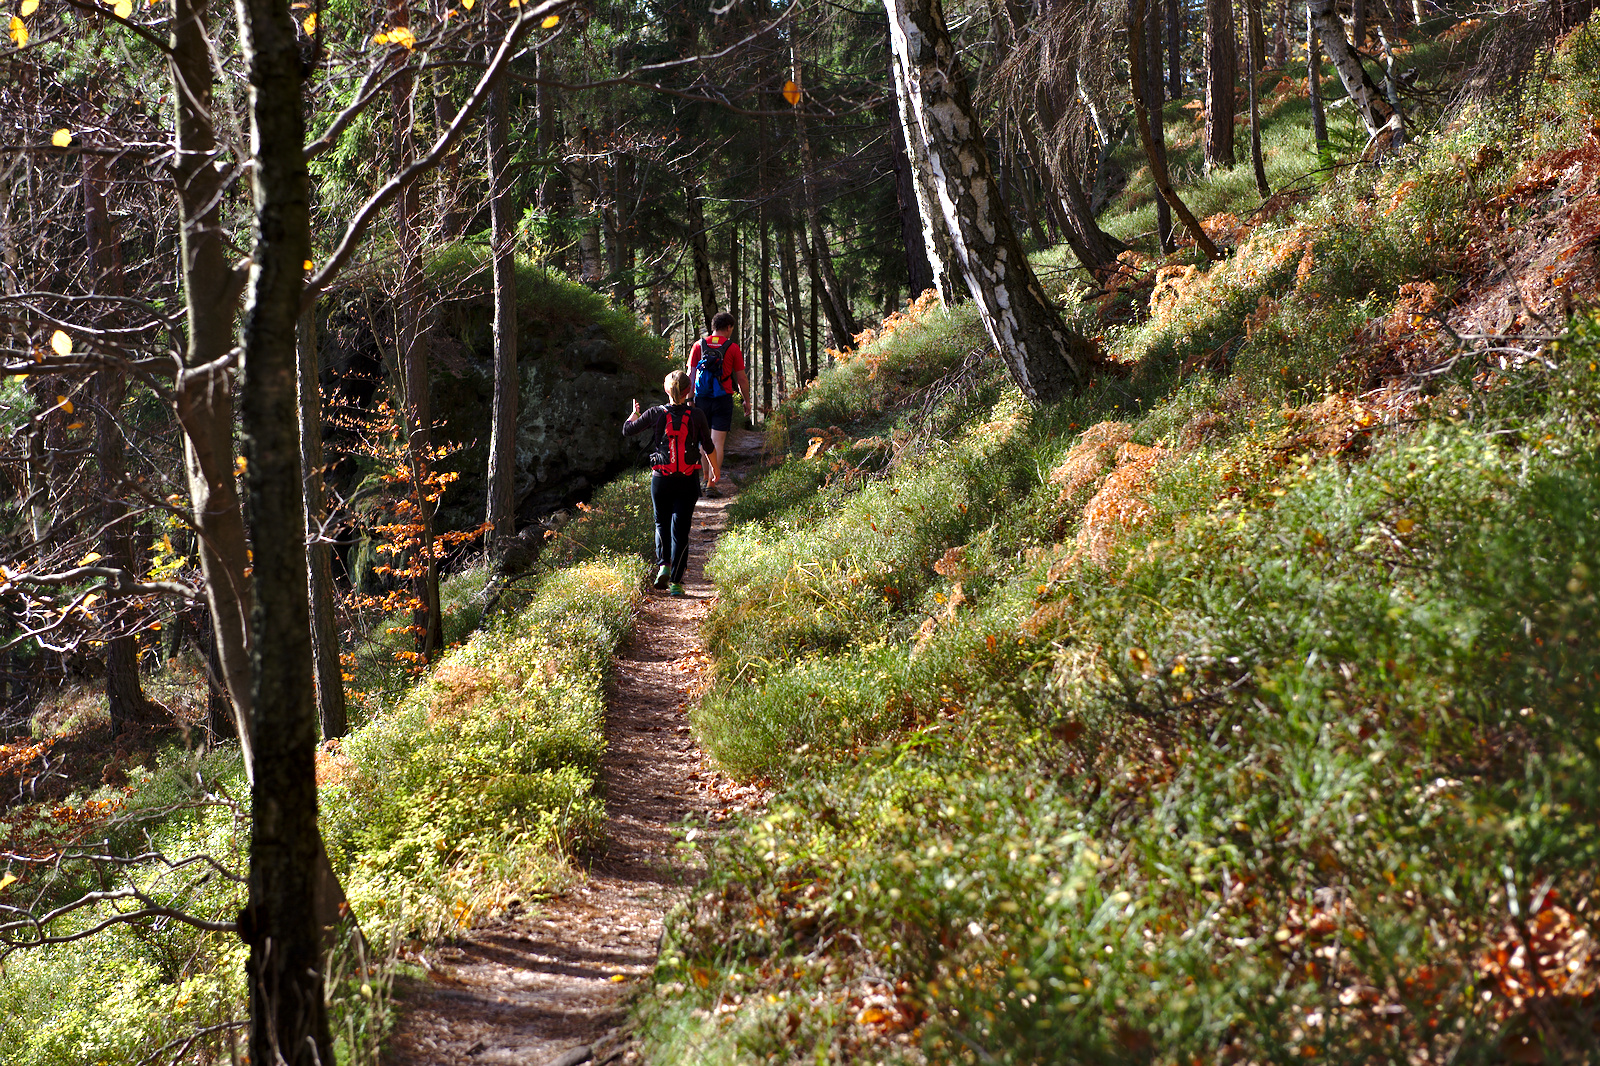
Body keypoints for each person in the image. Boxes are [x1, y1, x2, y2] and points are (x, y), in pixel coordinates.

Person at [623, 370, 719, 596]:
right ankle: (676, 582)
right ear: (688, 391)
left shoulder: (655, 413)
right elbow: (708, 445)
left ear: (667, 389)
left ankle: (663, 565)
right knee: (682, 530)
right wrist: (714, 470)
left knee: (661, 523)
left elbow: (628, 430)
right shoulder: (697, 415)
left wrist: (634, 415)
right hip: (687, 480)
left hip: (661, 480)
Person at [686, 311, 751, 490]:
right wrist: (747, 400)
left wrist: (689, 399)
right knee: (717, 442)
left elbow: (690, 375)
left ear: (714, 326)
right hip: (723, 398)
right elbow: (741, 378)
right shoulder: (732, 348)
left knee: (703, 441)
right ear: (728, 327)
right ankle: (712, 483)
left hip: (701, 399)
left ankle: (704, 478)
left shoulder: (698, 345)